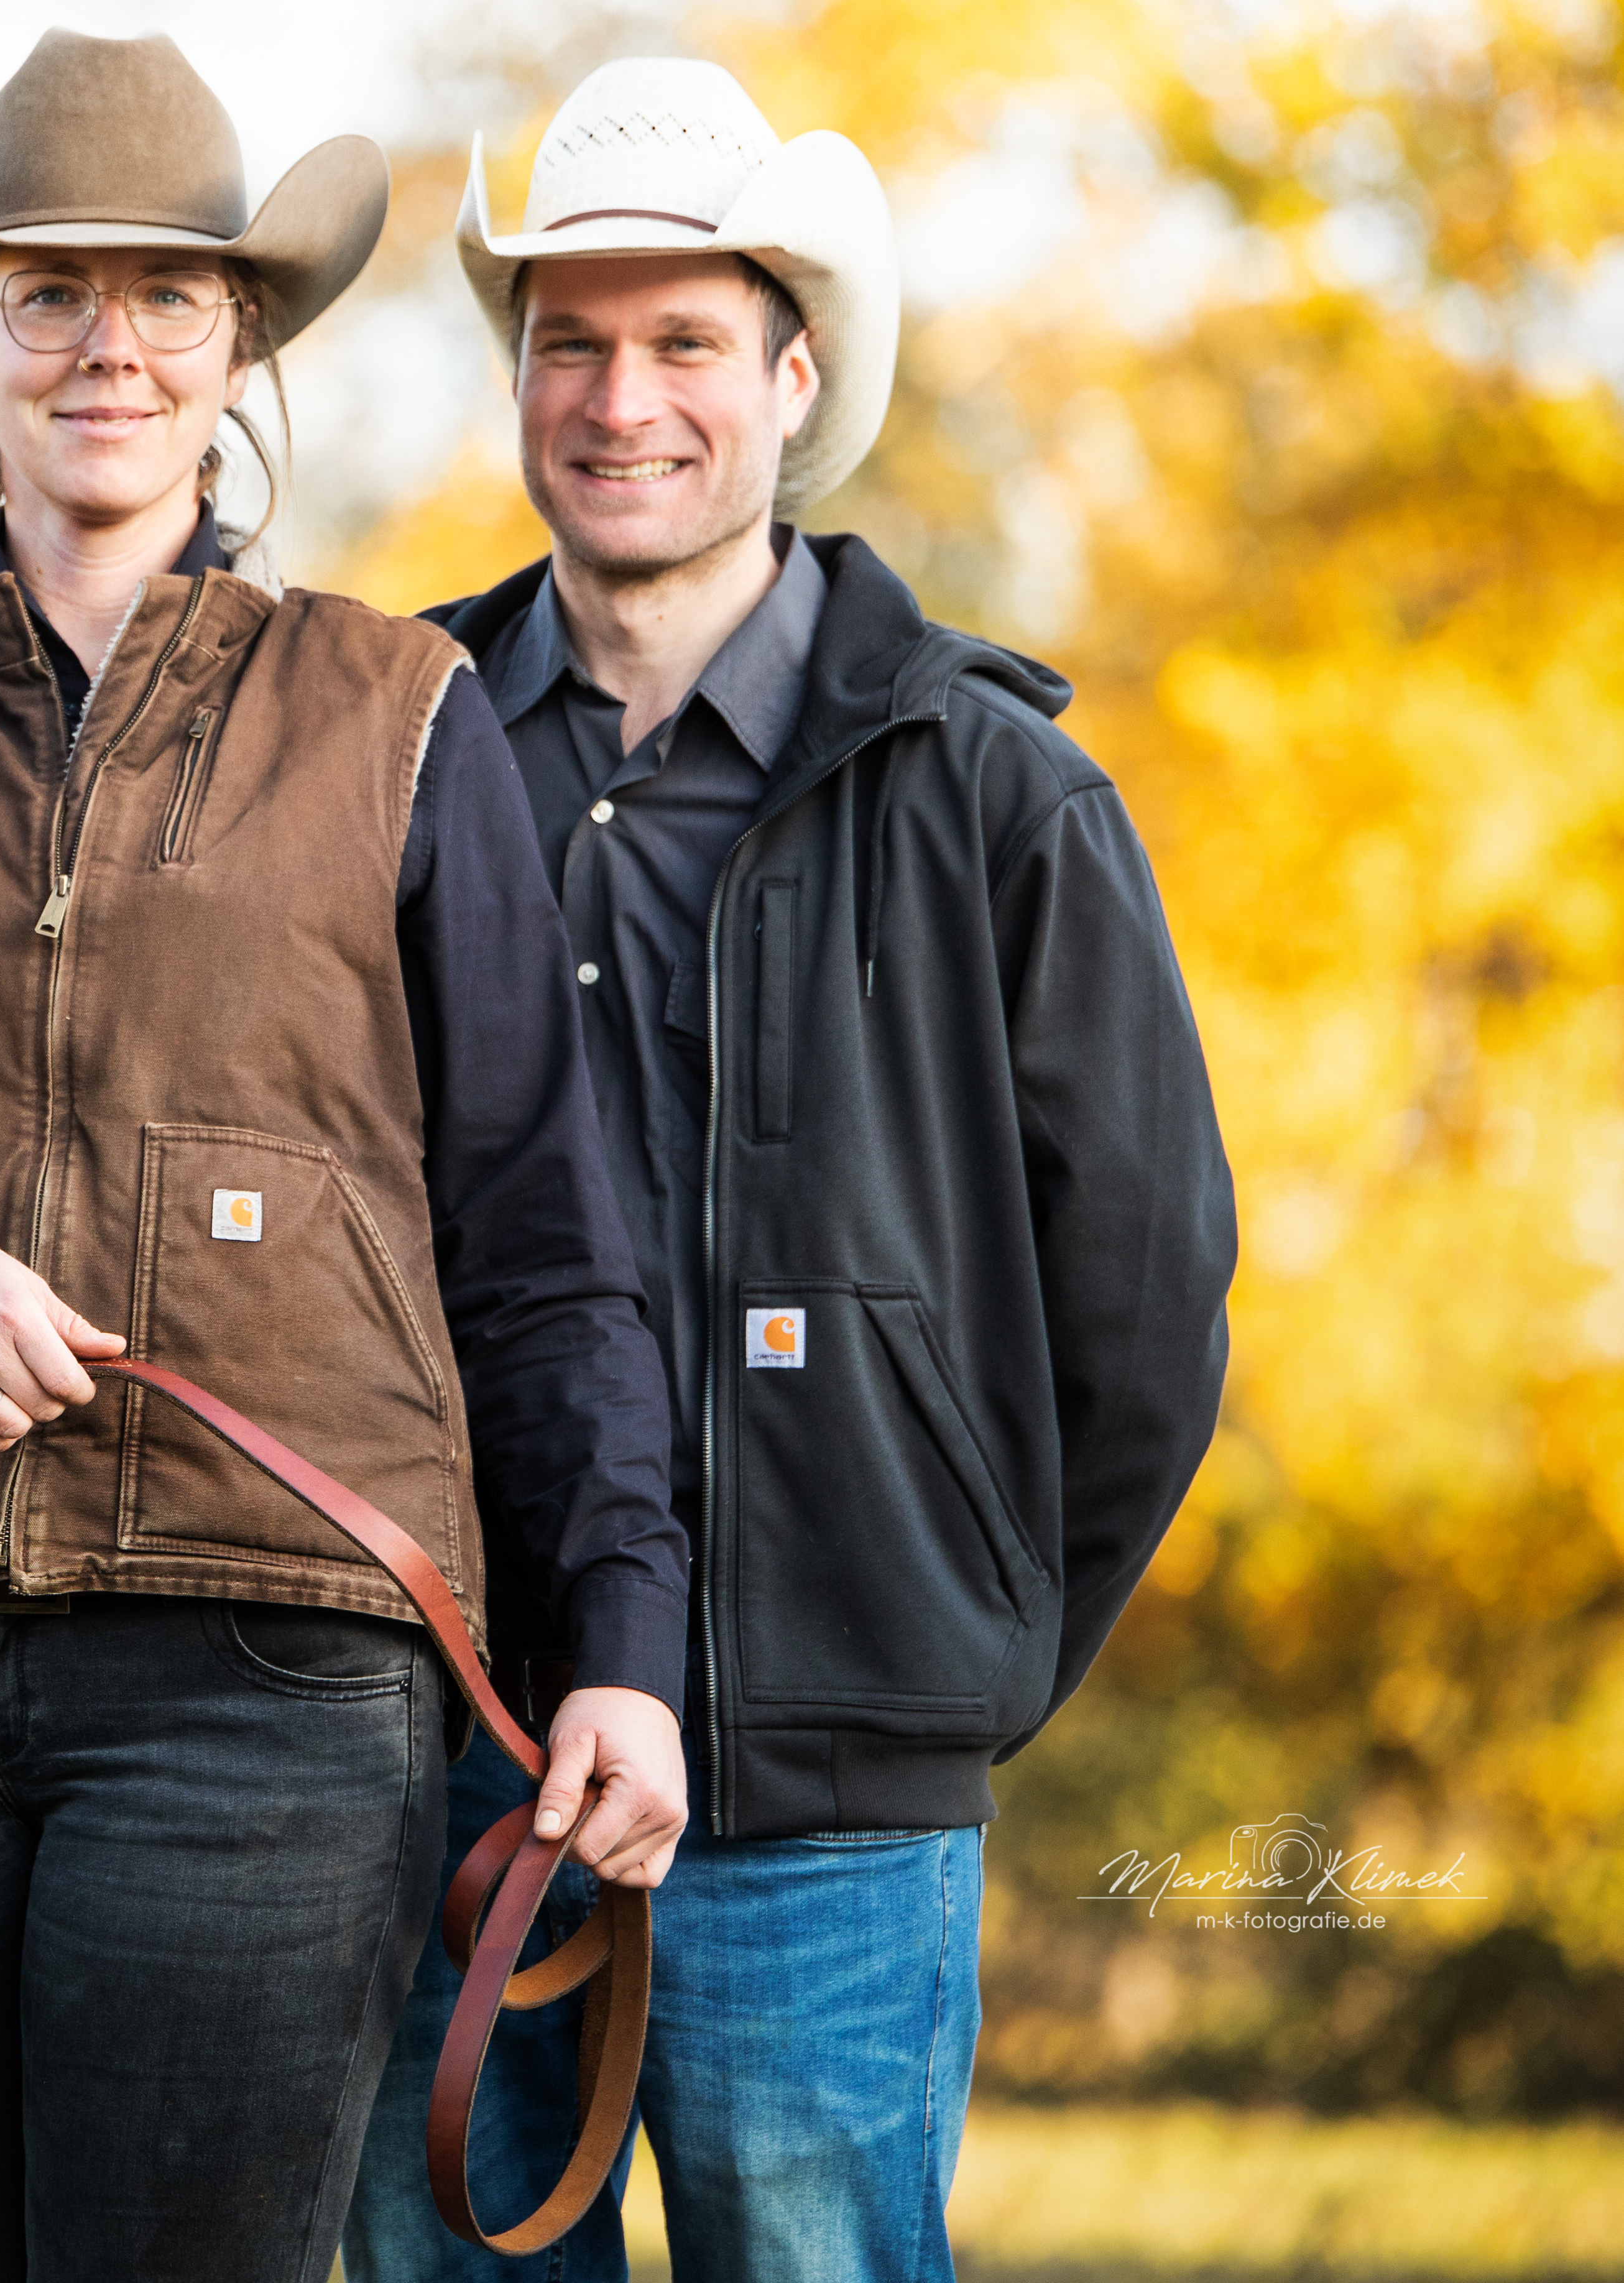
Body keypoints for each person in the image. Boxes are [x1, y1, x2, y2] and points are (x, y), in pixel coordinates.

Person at [0, 31, 688, 2279]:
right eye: (49, 295)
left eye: (169, 297)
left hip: (274, 1675)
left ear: (245, 345)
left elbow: (540, 1243)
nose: (108, 346)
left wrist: (621, 1639)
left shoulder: (400, 717)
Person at [338, 59, 1240, 2283]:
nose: (620, 397)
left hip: (832, 1814)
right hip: (446, 1764)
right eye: (571, 341)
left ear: (792, 374)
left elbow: (1145, 1303)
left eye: (683, 344)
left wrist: (954, 1653)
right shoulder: (382, 747)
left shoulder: (997, 794)